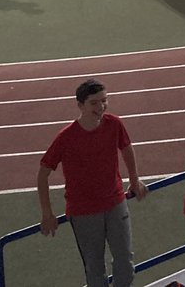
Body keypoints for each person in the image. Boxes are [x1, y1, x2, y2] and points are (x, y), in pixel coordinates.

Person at [37, 79, 147, 287]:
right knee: (95, 269)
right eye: (94, 103)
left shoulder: (114, 124)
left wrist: (134, 180)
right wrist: (47, 213)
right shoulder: (66, 137)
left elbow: (127, 148)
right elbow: (42, 175)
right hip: (84, 212)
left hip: (115, 203)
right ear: (80, 105)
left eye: (104, 101)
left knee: (125, 263)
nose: (101, 107)